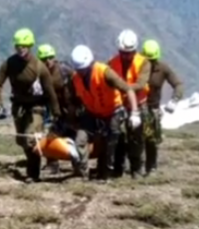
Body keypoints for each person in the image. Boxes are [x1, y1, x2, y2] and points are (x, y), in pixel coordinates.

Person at [0, 29, 61, 183]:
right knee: (22, 141)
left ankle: (33, 174)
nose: (20, 48)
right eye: (18, 46)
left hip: (37, 107)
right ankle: (34, 162)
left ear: (30, 46)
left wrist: (56, 111)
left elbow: (50, 91)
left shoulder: (39, 67)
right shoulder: (10, 63)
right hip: (19, 107)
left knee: (31, 139)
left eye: (23, 46)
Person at [66, 44, 140, 181]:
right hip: (92, 113)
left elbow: (128, 89)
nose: (81, 72)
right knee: (80, 140)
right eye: (79, 70)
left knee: (110, 142)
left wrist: (135, 113)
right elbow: (73, 101)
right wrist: (72, 120)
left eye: (83, 69)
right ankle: (83, 173)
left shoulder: (105, 72)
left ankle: (107, 174)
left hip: (113, 112)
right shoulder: (75, 79)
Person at [108, 29, 151, 178]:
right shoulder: (112, 63)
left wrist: (124, 87)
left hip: (138, 105)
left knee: (136, 138)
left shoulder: (143, 63)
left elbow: (141, 83)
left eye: (129, 53)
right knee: (118, 137)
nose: (126, 56)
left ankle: (136, 169)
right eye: (123, 52)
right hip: (119, 105)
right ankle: (118, 169)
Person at [141, 39, 184, 176]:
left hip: (153, 109)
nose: (150, 63)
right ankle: (133, 166)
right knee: (133, 139)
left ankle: (151, 167)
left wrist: (175, 99)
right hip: (136, 107)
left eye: (152, 60)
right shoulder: (137, 66)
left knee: (151, 139)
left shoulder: (163, 69)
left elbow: (178, 84)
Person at [37, 43, 74, 173]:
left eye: (50, 57)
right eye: (44, 59)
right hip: (57, 112)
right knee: (52, 136)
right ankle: (52, 164)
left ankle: (80, 163)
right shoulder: (40, 75)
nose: (48, 61)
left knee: (78, 136)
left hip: (74, 109)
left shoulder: (64, 70)